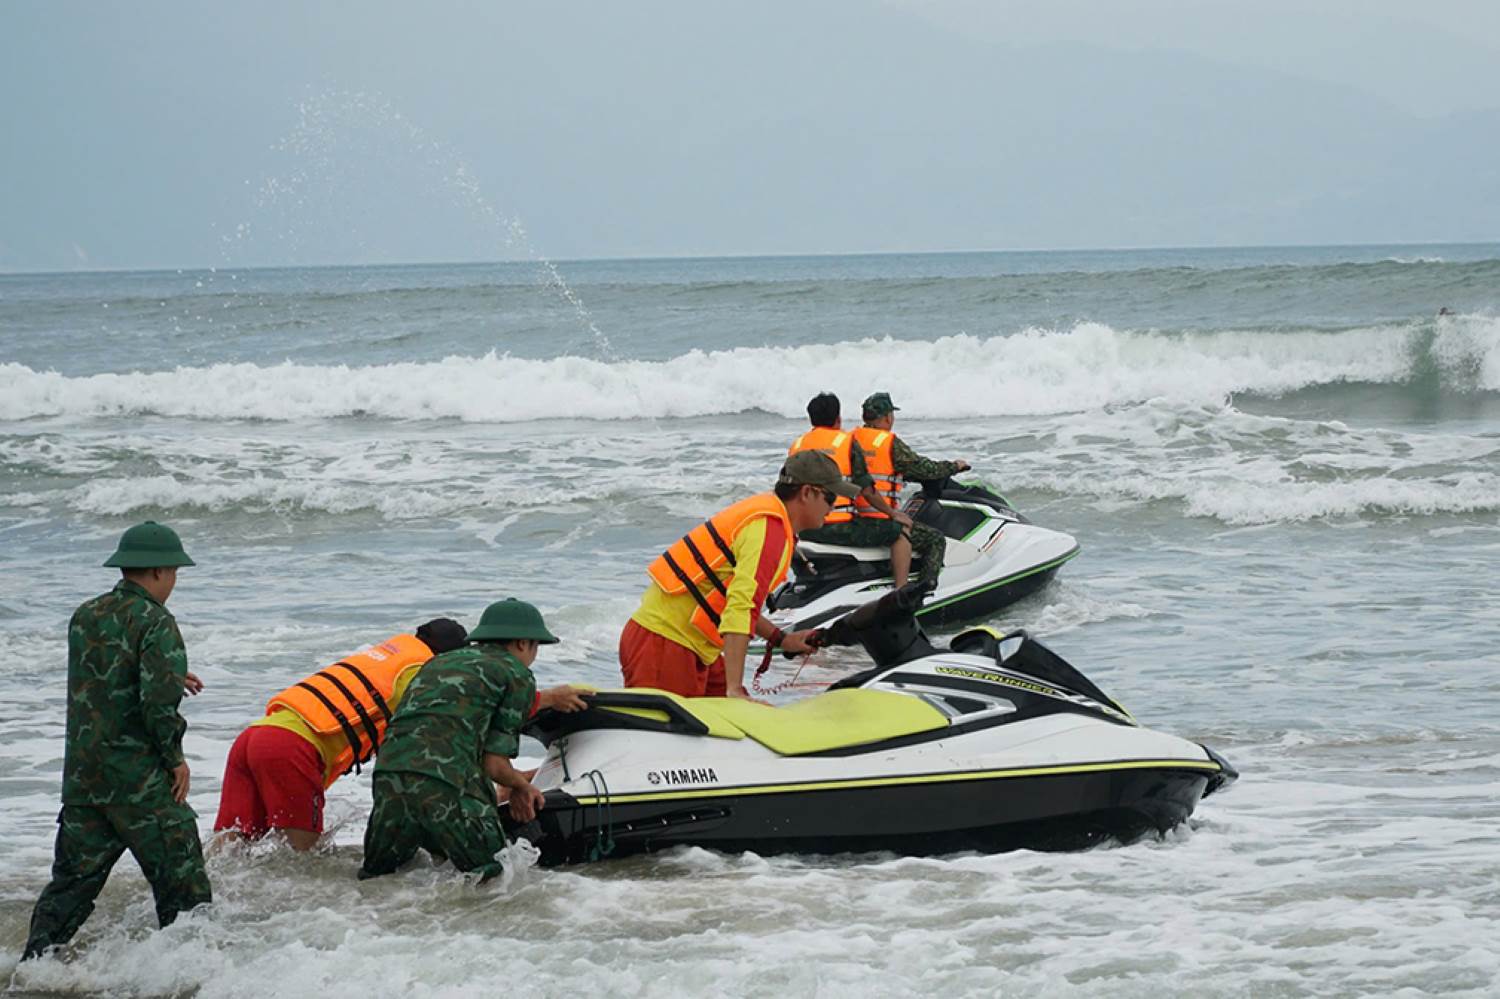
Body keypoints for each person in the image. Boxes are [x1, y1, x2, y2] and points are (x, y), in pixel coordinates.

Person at [215, 619, 587, 851]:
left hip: (256, 736)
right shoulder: (422, 672)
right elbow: (441, 738)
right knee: (301, 856)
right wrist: (549, 699)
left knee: (229, 849)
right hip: (293, 750)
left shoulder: (390, 656)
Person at [23, 521, 211, 961]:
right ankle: (195, 973)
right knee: (184, 884)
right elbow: (157, 709)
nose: (174, 583)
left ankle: (31, 971)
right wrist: (175, 761)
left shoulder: (86, 615)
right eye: (175, 573)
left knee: (70, 888)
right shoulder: (156, 620)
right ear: (160, 571)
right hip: (139, 783)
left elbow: (100, 679)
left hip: (85, 781)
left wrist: (165, 672)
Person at [359, 598, 572, 880]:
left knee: (378, 879)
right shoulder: (515, 673)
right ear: (523, 643)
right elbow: (494, 765)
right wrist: (522, 787)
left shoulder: (439, 663)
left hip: (389, 774)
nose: (533, 655)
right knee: (493, 878)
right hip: (447, 782)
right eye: (536, 647)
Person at [620, 450, 860, 700]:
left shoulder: (775, 524)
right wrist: (734, 689)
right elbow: (740, 607)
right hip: (664, 643)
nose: (833, 508)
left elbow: (739, 603)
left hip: (695, 647)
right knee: (677, 731)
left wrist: (782, 639)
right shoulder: (769, 528)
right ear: (807, 492)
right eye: (831, 498)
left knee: (721, 726)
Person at [791, 392, 921, 587]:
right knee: (900, 533)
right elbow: (867, 490)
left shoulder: (798, 445)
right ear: (838, 418)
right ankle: (901, 592)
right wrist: (893, 514)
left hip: (804, 530)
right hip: (837, 528)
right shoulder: (847, 443)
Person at [853, 392, 971, 586]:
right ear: (887, 417)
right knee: (935, 540)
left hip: (854, 518)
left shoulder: (852, 439)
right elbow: (924, 468)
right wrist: (954, 466)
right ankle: (925, 590)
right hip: (881, 518)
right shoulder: (888, 443)